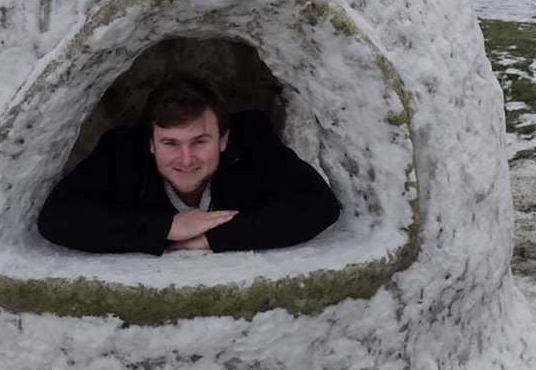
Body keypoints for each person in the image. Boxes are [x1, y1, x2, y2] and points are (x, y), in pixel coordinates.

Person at [37, 76, 341, 255]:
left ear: (223, 139)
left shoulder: (251, 142)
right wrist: (168, 227)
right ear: (152, 143)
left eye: (200, 141)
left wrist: (206, 238)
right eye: (170, 143)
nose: (186, 159)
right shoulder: (123, 152)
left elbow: (318, 205)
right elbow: (58, 218)